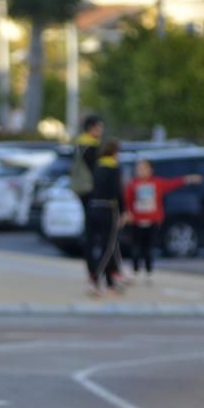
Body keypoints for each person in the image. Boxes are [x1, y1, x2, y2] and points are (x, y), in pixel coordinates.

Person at [123, 159, 202, 284]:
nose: (141, 171)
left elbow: (173, 183)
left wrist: (189, 179)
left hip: (153, 220)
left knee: (148, 248)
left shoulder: (157, 182)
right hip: (137, 221)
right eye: (139, 168)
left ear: (150, 169)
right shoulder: (132, 184)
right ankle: (135, 271)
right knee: (136, 247)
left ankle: (149, 273)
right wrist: (127, 213)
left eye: (144, 168)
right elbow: (127, 201)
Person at [87, 139, 126, 296]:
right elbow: (118, 190)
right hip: (108, 208)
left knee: (107, 244)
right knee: (108, 246)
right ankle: (95, 279)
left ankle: (111, 281)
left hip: (93, 207)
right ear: (115, 152)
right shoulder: (114, 167)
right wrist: (124, 211)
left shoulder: (96, 166)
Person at [72, 115, 105, 293]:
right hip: (91, 192)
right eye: (99, 128)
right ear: (91, 128)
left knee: (90, 232)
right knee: (94, 233)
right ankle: (95, 273)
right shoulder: (91, 147)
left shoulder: (78, 144)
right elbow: (96, 171)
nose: (101, 131)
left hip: (82, 191)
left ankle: (94, 272)